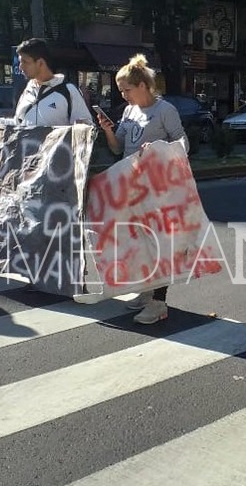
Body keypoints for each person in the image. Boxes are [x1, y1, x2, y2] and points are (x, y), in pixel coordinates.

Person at [97, 53, 188, 324]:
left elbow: (183, 143)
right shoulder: (129, 111)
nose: (123, 95)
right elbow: (117, 149)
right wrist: (108, 130)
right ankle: (145, 292)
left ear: (143, 86)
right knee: (138, 243)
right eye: (120, 90)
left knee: (159, 243)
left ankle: (159, 301)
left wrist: (160, 149)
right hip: (131, 186)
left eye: (126, 89)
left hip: (158, 187)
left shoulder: (165, 110)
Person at [12, 38, 93, 127]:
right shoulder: (28, 90)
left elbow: (87, 128)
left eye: (25, 62)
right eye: (20, 62)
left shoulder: (68, 91)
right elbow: (17, 124)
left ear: (40, 63)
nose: (20, 67)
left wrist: (81, 127)